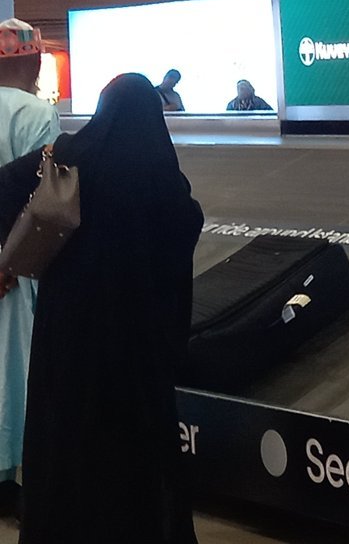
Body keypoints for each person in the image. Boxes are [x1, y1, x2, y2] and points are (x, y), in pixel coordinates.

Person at [0, 73, 203, 543]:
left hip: (68, 347)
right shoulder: (162, 175)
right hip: (137, 355)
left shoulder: (68, 156)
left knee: (67, 447)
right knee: (137, 458)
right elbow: (185, 228)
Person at [0, 20, 59, 509]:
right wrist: (10, 263)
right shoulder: (38, 114)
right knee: (20, 373)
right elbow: (46, 198)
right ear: (34, 60)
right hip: (17, 271)